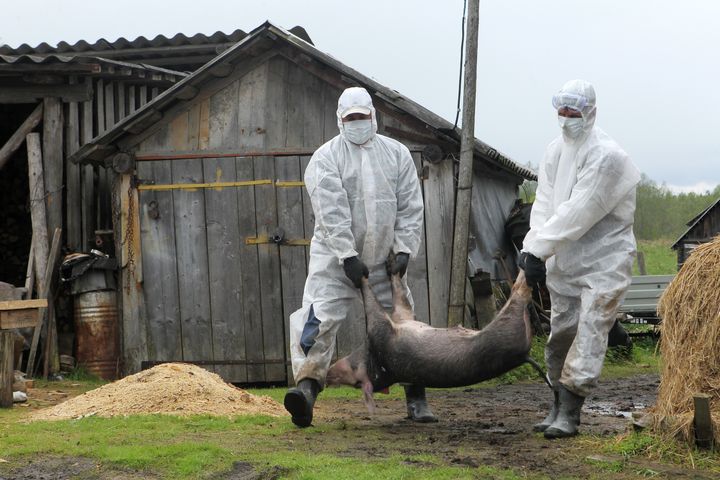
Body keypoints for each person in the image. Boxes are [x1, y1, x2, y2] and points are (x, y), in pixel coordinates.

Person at [284, 86, 435, 428]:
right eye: (350, 118)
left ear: (373, 117)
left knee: (402, 325)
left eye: (362, 117)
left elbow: (411, 205)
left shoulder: (396, 154)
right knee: (316, 319)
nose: (357, 123)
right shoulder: (326, 157)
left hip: (384, 260)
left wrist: (404, 249)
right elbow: (330, 209)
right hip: (335, 261)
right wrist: (347, 255)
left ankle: (416, 397)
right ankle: (306, 390)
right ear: (340, 120)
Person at [519, 79, 640, 439]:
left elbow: (580, 210)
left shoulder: (609, 156)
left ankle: (570, 412)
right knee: (562, 335)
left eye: (574, 112)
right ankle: (556, 403)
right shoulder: (554, 151)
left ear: (590, 113)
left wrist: (540, 248)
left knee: (588, 333)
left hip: (604, 262)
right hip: (565, 262)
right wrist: (532, 245)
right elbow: (543, 202)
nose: (567, 119)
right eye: (562, 112)